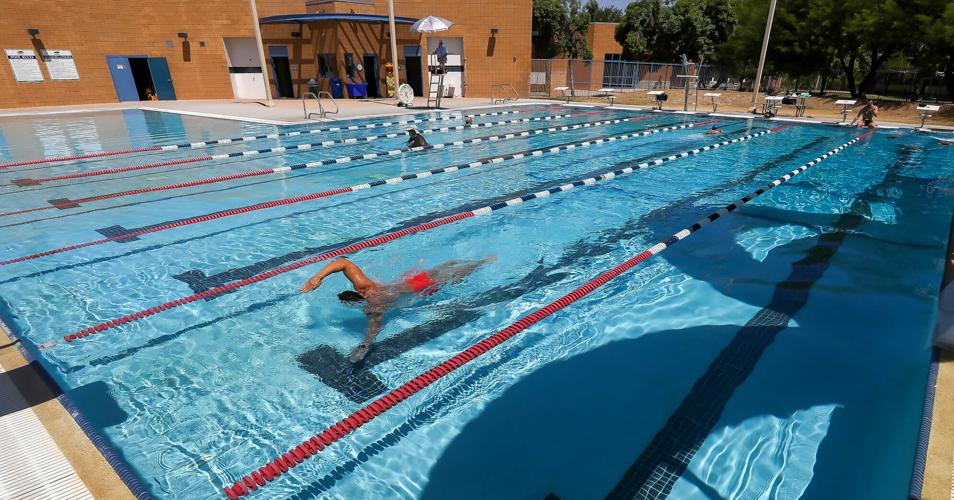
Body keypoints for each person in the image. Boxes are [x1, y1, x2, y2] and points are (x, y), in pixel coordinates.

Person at [300, 256, 495, 363]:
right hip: (411, 282)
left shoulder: (373, 308)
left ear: (357, 301)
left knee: (453, 276)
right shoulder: (366, 287)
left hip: (420, 290)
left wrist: (363, 347)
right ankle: (473, 261)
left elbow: (373, 330)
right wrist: (317, 278)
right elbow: (344, 262)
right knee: (440, 271)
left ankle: (481, 263)